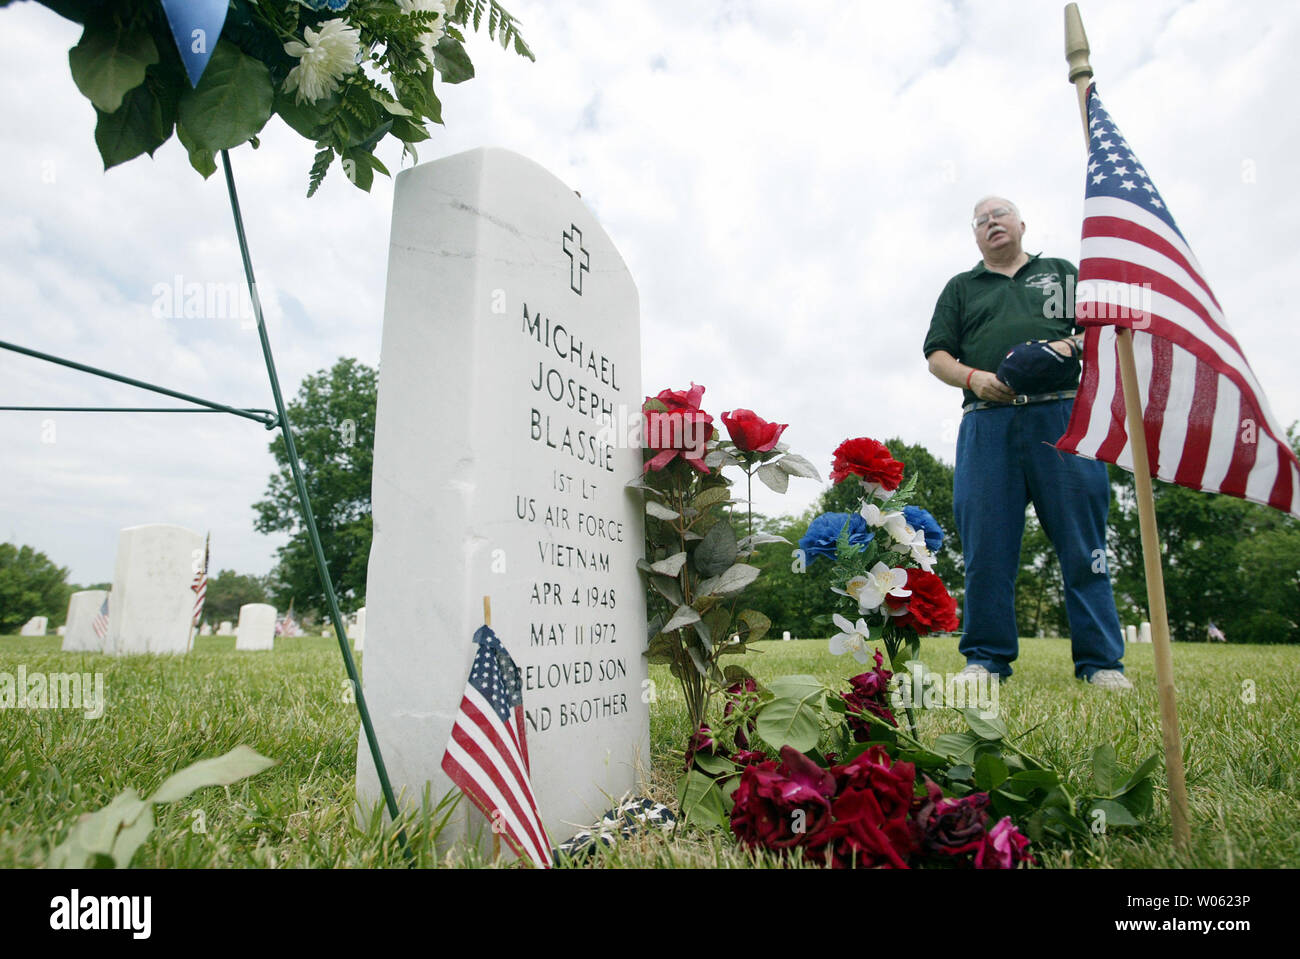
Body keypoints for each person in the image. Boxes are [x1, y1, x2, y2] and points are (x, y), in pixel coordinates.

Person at [922, 196, 1131, 690]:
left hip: (1062, 416)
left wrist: (1068, 345)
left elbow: (1099, 329)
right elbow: (937, 355)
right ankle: (986, 659)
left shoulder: (1060, 272)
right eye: (981, 220)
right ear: (976, 236)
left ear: (1021, 223)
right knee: (986, 547)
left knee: (1084, 544)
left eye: (1000, 215)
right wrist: (973, 377)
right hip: (987, 421)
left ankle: (1101, 662)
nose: (992, 223)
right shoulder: (962, 287)